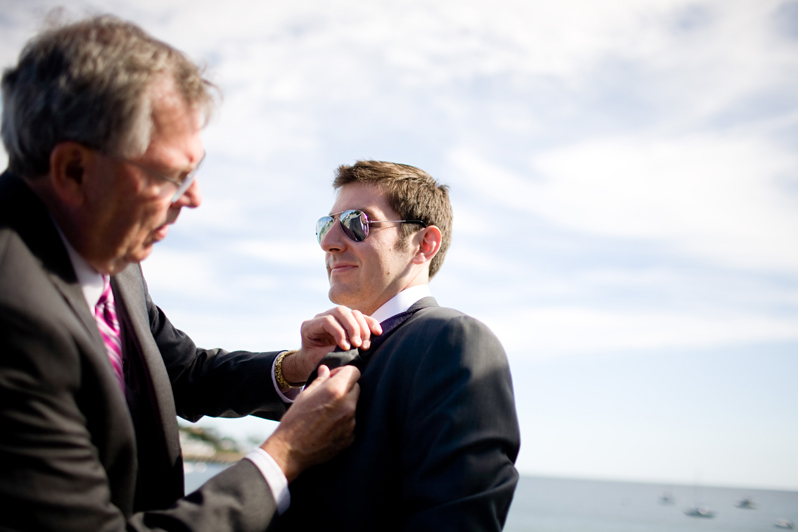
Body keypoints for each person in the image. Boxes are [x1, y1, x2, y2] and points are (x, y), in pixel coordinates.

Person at [0, 14, 381, 532]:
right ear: (74, 170)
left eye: (193, 172)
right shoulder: (13, 313)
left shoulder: (110, 254)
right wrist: (285, 455)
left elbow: (184, 374)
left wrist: (294, 367)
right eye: (170, 176)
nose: (193, 198)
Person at [273, 160, 521, 531]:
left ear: (424, 243)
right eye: (327, 225)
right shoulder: (341, 352)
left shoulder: (455, 342)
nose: (329, 242)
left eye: (358, 222)